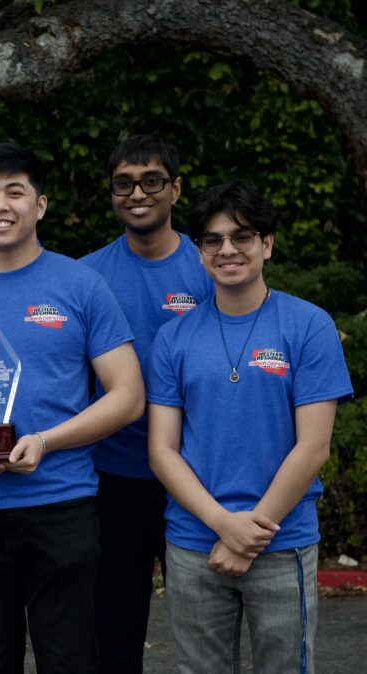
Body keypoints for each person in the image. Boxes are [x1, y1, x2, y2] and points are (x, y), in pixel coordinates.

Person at [0, 142, 144, 673]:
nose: (0, 204)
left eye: (16, 192)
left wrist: (46, 441)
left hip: (63, 505)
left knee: (71, 659)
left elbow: (128, 396)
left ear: (40, 206)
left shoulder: (80, 285)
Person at [147, 180, 353, 674]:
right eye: (213, 240)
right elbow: (162, 450)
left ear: (267, 244)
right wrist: (225, 527)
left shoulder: (308, 325)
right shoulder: (173, 337)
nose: (228, 250)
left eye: (242, 236)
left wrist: (251, 534)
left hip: (282, 544)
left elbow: (314, 446)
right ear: (199, 251)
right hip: (195, 546)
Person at [79, 134, 213, 673]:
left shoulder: (209, 269)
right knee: (114, 625)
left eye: (152, 181)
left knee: (206, 625)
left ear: (175, 189)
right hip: (114, 474)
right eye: (124, 183)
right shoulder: (86, 275)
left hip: (198, 473)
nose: (138, 193)